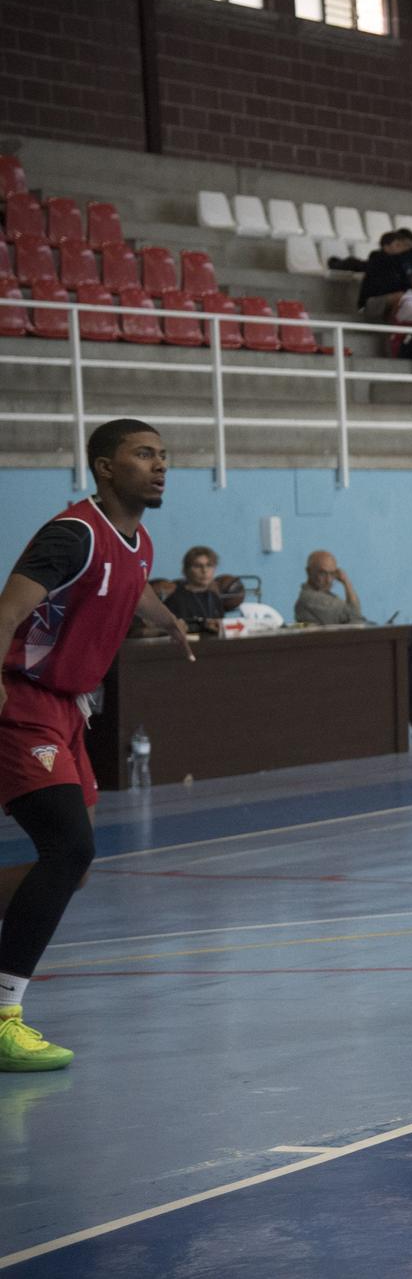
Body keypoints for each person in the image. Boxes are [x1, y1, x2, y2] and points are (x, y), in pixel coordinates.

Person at [0, 419, 195, 1071]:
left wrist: (168, 620)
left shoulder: (136, 539)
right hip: (21, 697)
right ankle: (4, 1014)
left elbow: (129, 583)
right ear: (106, 468)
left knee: (73, 867)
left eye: (164, 455)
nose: (160, 465)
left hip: (67, 709)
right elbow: (6, 611)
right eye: (144, 454)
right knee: (69, 847)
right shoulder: (72, 533)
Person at [292, 552, 412, 738]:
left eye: (333, 574)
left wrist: (346, 585)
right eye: (322, 573)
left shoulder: (328, 596)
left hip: (355, 642)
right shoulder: (309, 599)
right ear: (309, 572)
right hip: (345, 654)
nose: (329, 579)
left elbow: (353, 615)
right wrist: (347, 583)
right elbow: (355, 614)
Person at [163, 544, 228, 633]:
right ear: (186, 570)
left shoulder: (214, 597)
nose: (204, 570)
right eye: (198, 566)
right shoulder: (175, 599)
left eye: (209, 565)